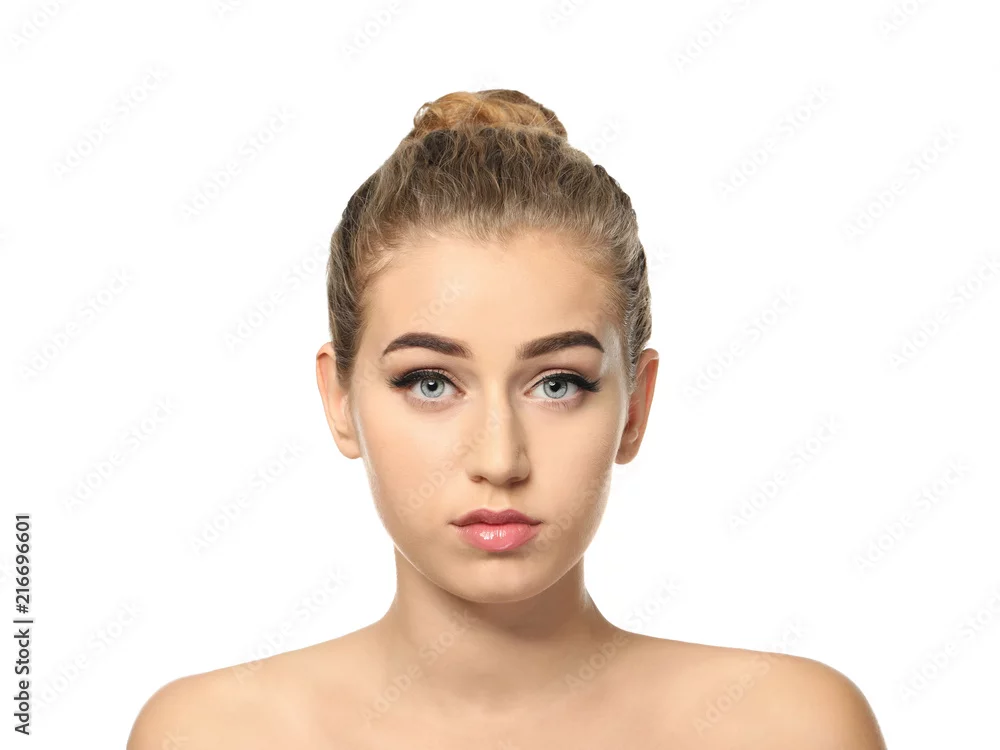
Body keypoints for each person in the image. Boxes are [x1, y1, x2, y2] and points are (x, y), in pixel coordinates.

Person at [127, 89, 887, 749]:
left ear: (636, 406)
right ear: (339, 399)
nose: (500, 459)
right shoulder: (211, 735)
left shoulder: (790, 728)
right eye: (430, 382)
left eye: (557, 384)